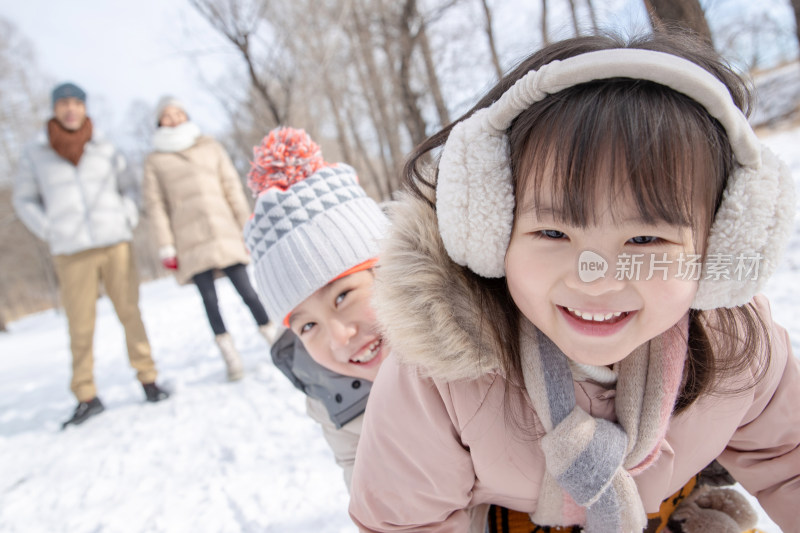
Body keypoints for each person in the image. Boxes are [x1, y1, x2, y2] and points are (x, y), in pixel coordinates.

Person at [348, 32, 799, 532]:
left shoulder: (737, 342)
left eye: (646, 239)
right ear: (492, 234)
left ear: (721, 247)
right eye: (553, 231)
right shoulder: (438, 374)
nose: (597, 280)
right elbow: (405, 522)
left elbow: (792, 459)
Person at [12, 82, 170, 429]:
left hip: (115, 242)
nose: (70, 109)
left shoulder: (105, 147)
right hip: (71, 252)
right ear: (54, 109)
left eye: (76, 103)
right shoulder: (35, 154)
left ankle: (148, 378)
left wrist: (127, 216)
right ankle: (86, 394)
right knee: (80, 324)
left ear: (85, 108)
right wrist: (50, 230)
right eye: (64, 103)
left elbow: (129, 186)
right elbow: (23, 200)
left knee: (130, 312)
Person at [243, 127, 391, 490]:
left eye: (342, 296)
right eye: (308, 326)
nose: (341, 339)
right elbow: (374, 499)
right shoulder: (332, 394)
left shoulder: (474, 322)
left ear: (391, 270)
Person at [142, 96, 278, 381]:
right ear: (159, 122)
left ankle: (276, 341)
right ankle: (230, 355)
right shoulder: (155, 161)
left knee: (248, 291)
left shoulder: (210, 146)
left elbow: (231, 187)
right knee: (209, 300)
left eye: (179, 112)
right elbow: (156, 206)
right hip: (187, 239)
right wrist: (166, 245)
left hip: (223, 230)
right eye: (167, 114)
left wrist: (245, 224)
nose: (174, 118)